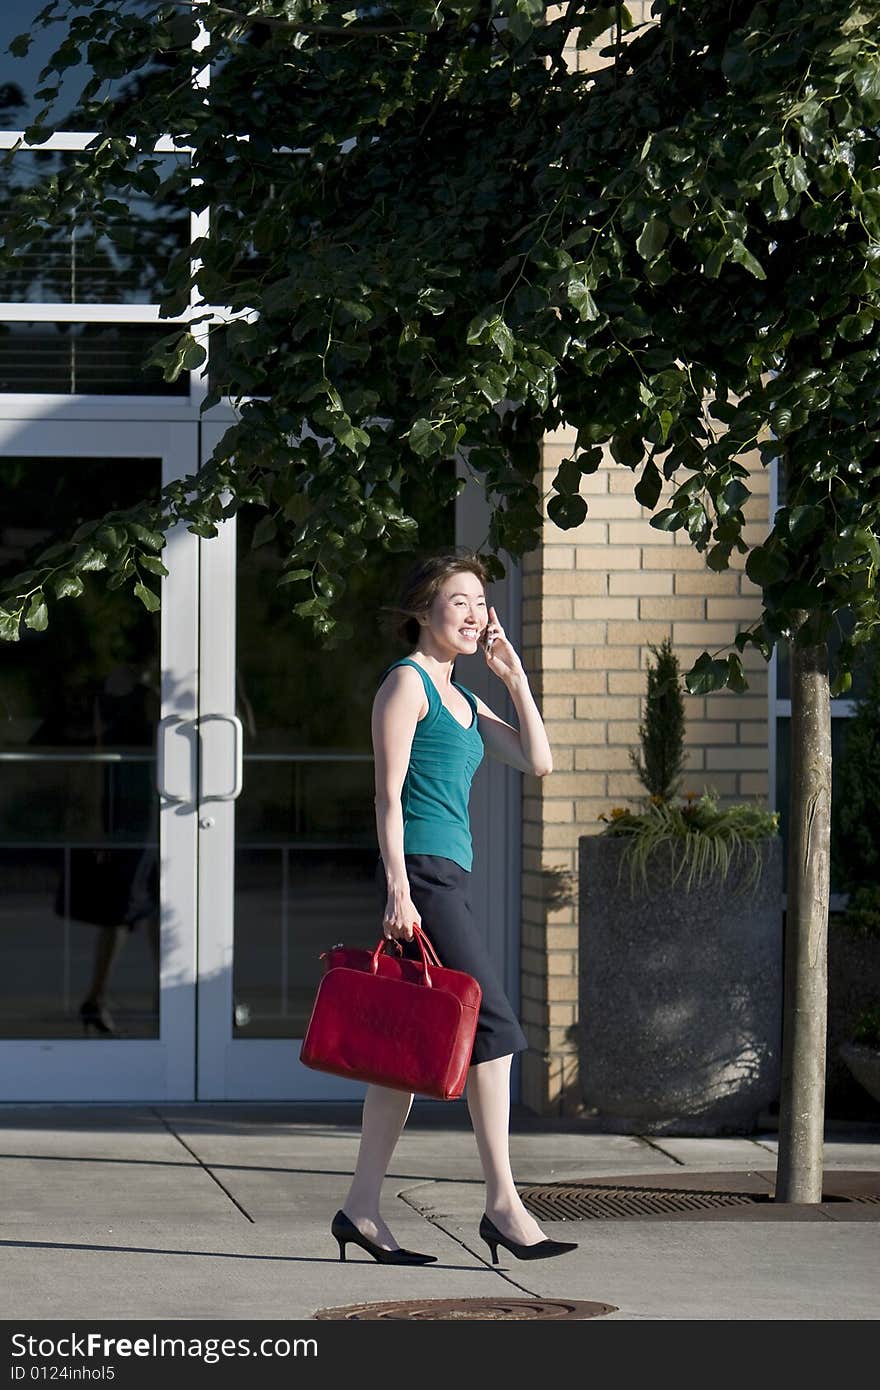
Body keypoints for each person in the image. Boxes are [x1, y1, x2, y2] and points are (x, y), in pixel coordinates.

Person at [331, 549, 578, 1266]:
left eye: (480, 602)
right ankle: (503, 1204)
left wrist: (514, 676)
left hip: (449, 878)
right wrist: (399, 891)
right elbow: (386, 796)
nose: (473, 614)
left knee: (406, 1051)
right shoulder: (405, 686)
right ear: (422, 612)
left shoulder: (465, 699)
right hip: (425, 880)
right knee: (494, 1028)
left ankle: (361, 1210)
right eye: (458, 601)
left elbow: (539, 760)